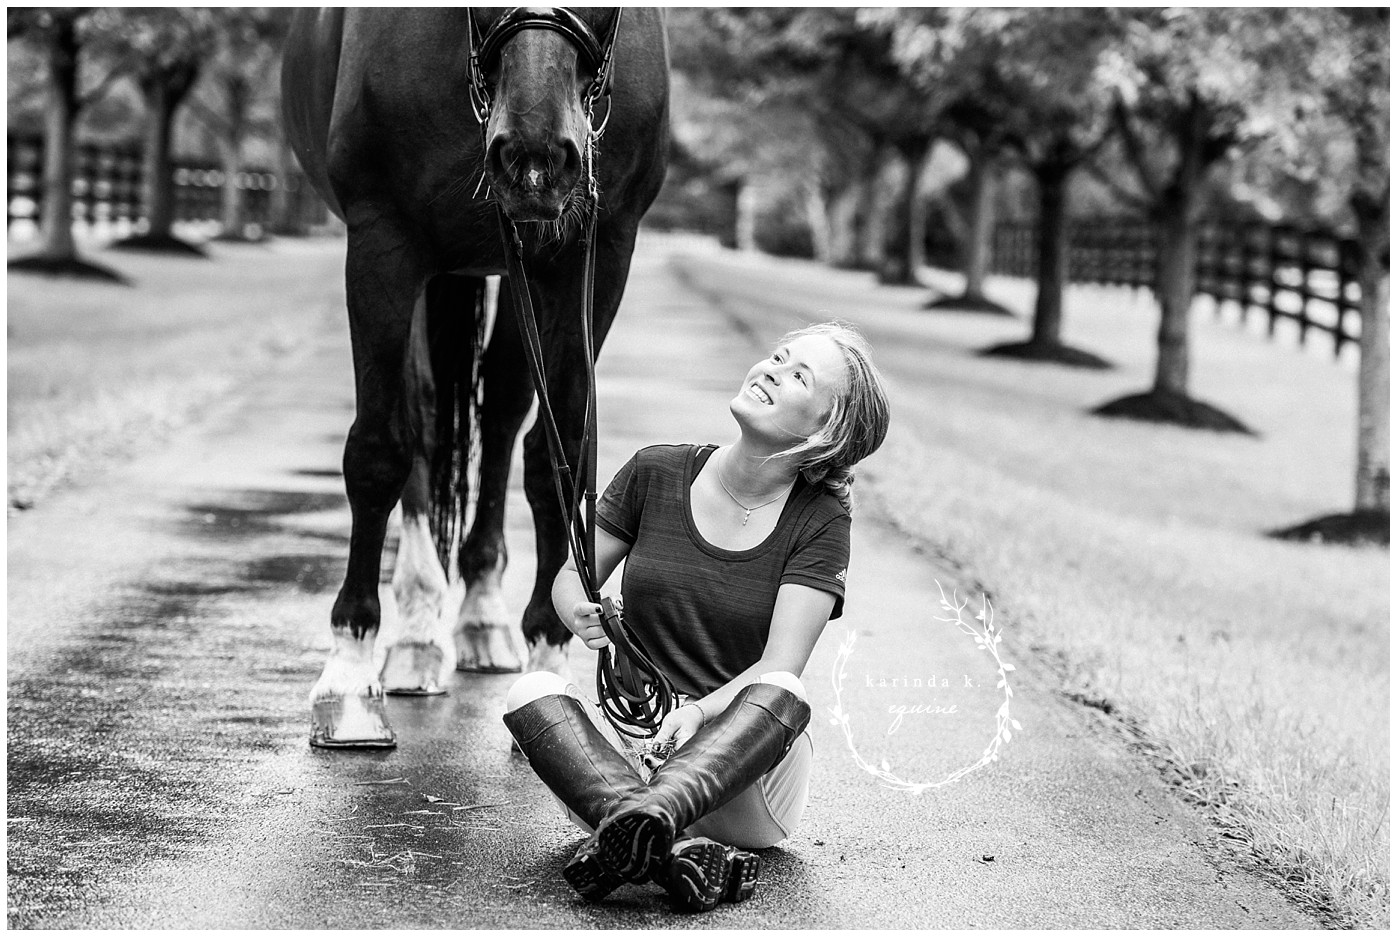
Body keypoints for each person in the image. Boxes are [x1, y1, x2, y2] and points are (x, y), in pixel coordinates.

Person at [502, 321, 890, 912]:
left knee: (785, 687)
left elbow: (778, 668)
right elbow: (569, 578)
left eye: (798, 376)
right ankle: (669, 849)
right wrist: (576, 610)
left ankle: (640, 825)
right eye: (777, 356)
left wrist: (699, 713)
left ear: (825, 432)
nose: (771, 370)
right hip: (630, 754)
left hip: (744, 783)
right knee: (528, 689)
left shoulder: (821, 519)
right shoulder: (654, 470)